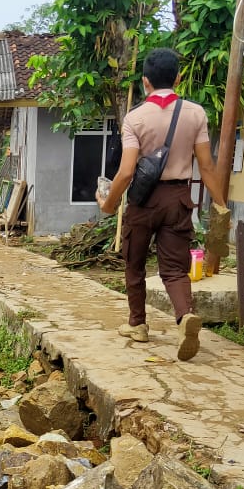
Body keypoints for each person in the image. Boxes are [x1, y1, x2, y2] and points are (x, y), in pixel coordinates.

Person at [96, 48, 228, 362]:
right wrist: (221, 205)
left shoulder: (135, 118)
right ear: (178, 77)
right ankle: (184, 317)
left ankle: (138, 325)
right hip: (179, 199)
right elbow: (207, 166)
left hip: (144, 201)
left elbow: (127, 171)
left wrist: (109, 204)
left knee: (135, 264)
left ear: (145, 82)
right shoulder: (195, 113)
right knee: (174, 268)